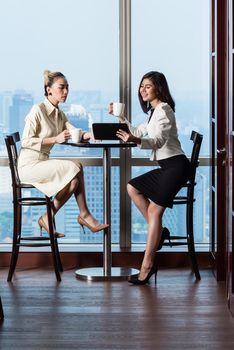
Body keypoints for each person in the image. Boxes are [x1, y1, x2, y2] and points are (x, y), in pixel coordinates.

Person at [109, 71, 191, 285]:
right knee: (132, 187)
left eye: (147, 86)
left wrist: (135, 140)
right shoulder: (154, 112)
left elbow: (157, 141)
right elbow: (138, 130)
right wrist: (120, 118)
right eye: (141, 86)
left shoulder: (164, 111)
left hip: (176, 167)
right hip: (168, 166)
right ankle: (159, 232)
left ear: (158, 88)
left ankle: (147, 265)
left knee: (154, 211)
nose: (142, 90)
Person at [18, 70, 108, 238]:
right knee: (77, 166)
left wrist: (92, 135)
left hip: (42, 162)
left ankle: (47, 217)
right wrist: (54, 139)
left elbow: (75, 132)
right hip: (29, 165)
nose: (66, 92)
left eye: (67, 88)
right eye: (62, 87)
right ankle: (84, 214)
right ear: (48, 89)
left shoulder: (59, 114)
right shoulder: (37, 110)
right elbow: (26, 141)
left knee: (74, 182)